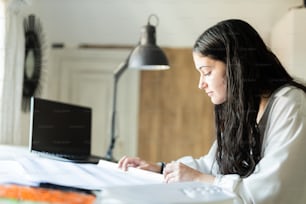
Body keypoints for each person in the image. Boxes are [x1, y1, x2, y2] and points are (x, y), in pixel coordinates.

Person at [118, 19, 306, 204]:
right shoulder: (244, 109)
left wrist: (198, 178)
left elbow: (268, 191)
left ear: (235, 66)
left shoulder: (290, 105)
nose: (201, 84)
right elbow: (212, 164)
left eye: (207, 72)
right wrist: (161, 169)